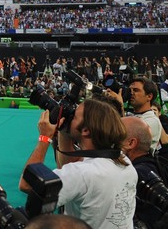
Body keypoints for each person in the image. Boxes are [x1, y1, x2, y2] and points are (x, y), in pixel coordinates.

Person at [19, 98, 137, 229]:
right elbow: (70, 164)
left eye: (74, 116)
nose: (70, 117)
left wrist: (44, 137)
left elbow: (27, 184)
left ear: (86, 130)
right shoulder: (124, 161)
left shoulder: (82, 174)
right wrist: (64, 130)